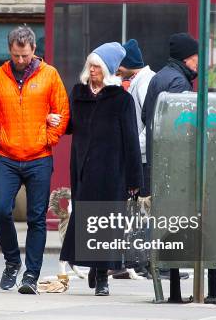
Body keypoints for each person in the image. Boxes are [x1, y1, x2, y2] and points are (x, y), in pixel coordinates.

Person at [0, 25, 69, 295]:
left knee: (36, 218)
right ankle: (12, 261)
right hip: (7, 156)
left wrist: (48, 138)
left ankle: (31, 275)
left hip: (39, 157)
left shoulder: (50, 75)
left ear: (33, 51)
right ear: (10, 51)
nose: (21, 61)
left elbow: (62, 112)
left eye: (26, 56)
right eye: (17, 56)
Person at [59, 42, 143, 296]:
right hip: (83, 166)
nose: (92, 70)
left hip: (111, 169)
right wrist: (57, 121)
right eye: (90, 65)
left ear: (107, 69)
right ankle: (95, 268)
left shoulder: (122, 100)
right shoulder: (78, 93)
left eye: (97, 66)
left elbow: (130, 139)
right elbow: (71, 125)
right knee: (87, 219)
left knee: (107, 222)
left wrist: (134, 178)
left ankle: (103, 277)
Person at [141, 32, 198, 297]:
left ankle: (157, 264)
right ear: (187, 57)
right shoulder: (178, 83)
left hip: (156, 156)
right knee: (173, 216)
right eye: (197, 57)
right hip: (174, 159)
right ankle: (167, 270)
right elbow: (182, 123)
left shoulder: (159, 77)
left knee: (160, 212)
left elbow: (145, 115)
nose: (199, 62)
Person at [113, 38, 156, 279]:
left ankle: (139, 261)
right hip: (139, 156)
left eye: (120, 64)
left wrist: (128, 148)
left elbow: (147, 127)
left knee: (140, 210)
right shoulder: (140, 81)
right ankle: (136, 261)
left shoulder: (143, 83)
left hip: (141, 158)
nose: (117, 69)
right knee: (138, 211)